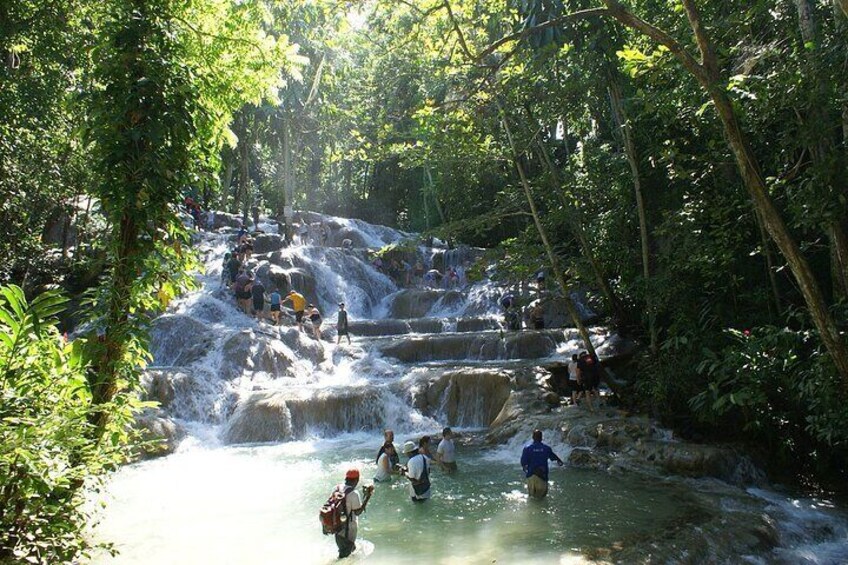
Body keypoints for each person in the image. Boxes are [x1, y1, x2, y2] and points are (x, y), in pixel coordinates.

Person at [333, 469, 374, 559]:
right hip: (348, 532)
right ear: (357, 480)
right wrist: (368, 497)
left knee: (351, 551)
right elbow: (357, 512)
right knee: (343, 558)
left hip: (338, 529)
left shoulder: (337, 488)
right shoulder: (354, 493)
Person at [520, 429, 564, 499]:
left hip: (531, 476)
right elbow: (554, 457)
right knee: (541, 499)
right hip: (542, 476)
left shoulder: (527, 448)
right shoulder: (546, 448)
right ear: (541, 438)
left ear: (533, 437)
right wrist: (559, 461)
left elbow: (523, 462)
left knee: (532, 499)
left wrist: (525, 468)